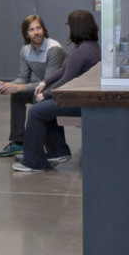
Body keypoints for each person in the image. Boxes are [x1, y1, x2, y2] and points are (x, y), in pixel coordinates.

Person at [13, 10, 101, 173]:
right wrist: (45, 83)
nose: (68, 28)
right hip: (83, 98)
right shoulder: (88, 47)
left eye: (69, 25)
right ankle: (57, 151)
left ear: (76, 27)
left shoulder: (81, 51)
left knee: (36, 112)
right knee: (45, 108)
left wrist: (45, 94)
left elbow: (66, 79)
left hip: (81, 102)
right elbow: (64, 70)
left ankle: (33, 161)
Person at [0, 14, 66, 157]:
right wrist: (8, 85)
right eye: (31, 30)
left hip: (56, 93)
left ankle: (42, 150)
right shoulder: (25, 51)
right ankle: (18, 142)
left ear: (43, 29)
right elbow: (23, 78)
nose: (36, 32)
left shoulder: (54, 49)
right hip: (41, 91)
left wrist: (19, 87)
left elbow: (49, 83)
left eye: (38, 28)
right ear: (26, 33)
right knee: (17, 95)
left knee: (27, 96)